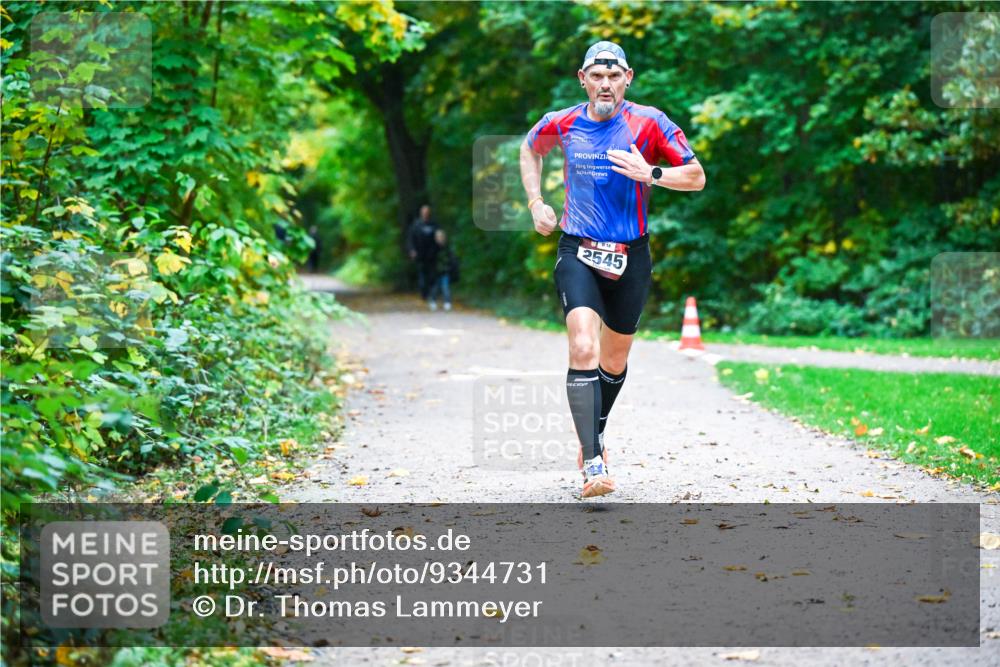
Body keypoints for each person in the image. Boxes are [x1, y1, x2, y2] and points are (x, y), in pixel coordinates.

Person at [519, 41, 706, 498]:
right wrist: (536, 202)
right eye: (596, 76)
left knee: (614, 359)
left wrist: (652, 174)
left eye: (614, 76)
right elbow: (530, 148)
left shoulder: (650, 123)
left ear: (628, 78)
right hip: (578, 248)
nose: (606, 84)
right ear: (582, 79)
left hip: (631, 254)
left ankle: (593, 433)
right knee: (583, 344)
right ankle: (593, 461)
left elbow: (696, 176)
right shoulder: (562, 122)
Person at [406, 204, 440, 303]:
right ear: (421, 213)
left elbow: (440, 238)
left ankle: (432, 294)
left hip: (432, 256)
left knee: (432, 276)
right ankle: (424, 295)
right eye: (424, 212)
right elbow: (410, 240)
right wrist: (412, 250)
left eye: (427, 212)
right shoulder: (416, 225)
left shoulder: (434, 225)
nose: (426, 214)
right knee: (422, 277)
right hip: (420, 256)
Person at [427, 229, 455, 312]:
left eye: (441, 237)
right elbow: (429, 259)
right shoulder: (432, 247)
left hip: (445, 271)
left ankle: (447, 303)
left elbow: (451, 258)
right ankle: (433, 301)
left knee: (445, 287)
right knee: (435, 288)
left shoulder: (447, 247)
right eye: (438, 237)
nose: (440, 238)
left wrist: (450, 267)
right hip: (435, 272)